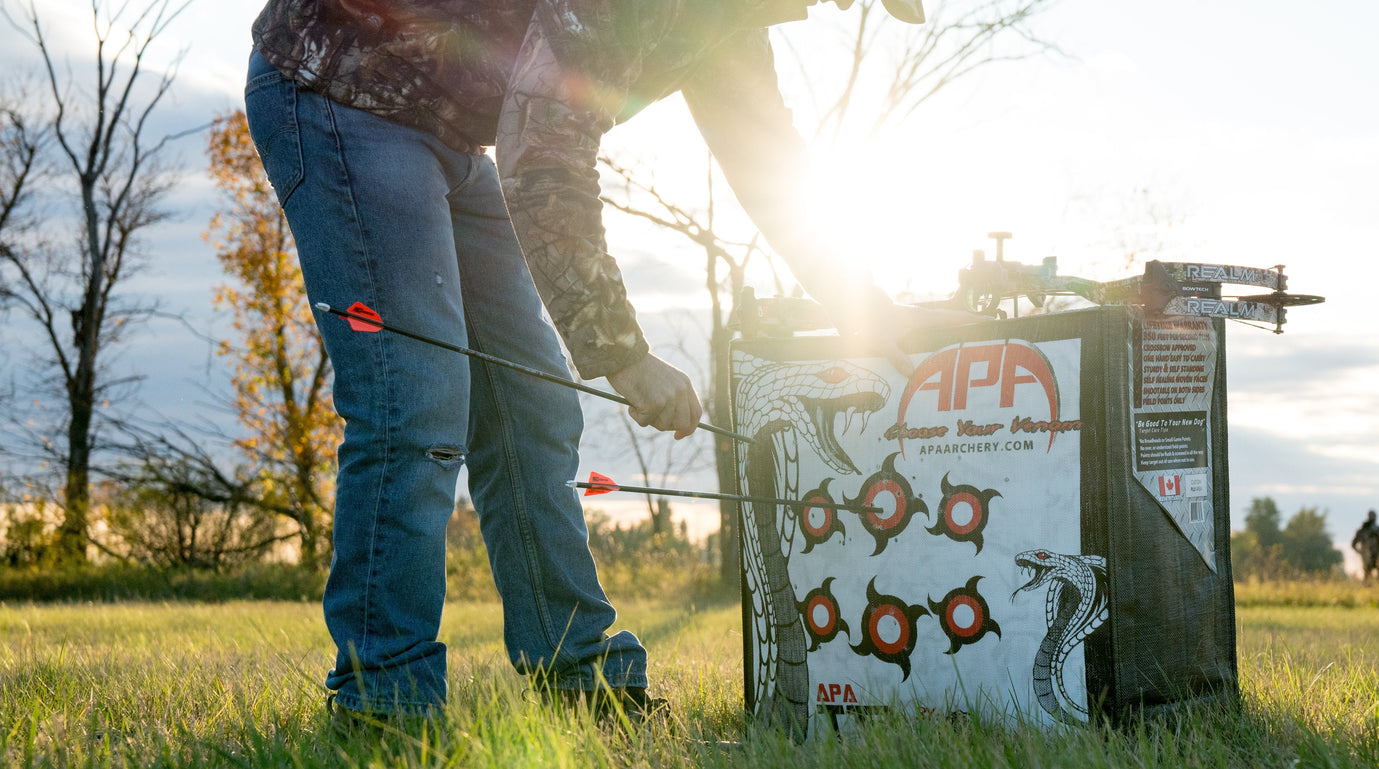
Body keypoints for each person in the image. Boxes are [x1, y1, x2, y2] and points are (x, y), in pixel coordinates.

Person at [244, 0, 927, 723]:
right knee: (413, 395)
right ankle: (383, 695)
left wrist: (864, 307)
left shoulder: (727, 27)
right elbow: (544, 157)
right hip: (339, 91)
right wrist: (623, 354)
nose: (836, 5)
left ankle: (576, 673)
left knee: (532, 410)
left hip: (447, 131)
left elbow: (772, 174)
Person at [1351, 510, 1379, 584]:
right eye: (1370, 516)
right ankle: (1368, 589)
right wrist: (1361, 552)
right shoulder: (1362, 529)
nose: (1372, 518)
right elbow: (1353, 544)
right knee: (1367, 574)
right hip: (1367, 556)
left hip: (1377, 555)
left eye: (1373, 516)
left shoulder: (1378, 529)